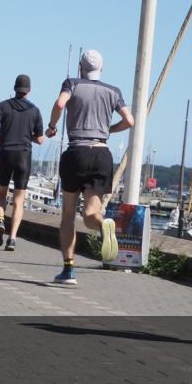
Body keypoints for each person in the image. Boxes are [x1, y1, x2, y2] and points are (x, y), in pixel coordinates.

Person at [45, 50, 134, 285]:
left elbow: (60, 103)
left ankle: (68, 270)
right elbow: (130, 120)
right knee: (90, 215)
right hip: (102, 154)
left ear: (80, 68)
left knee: (68, 215)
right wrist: (108, 130)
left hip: (77, 151)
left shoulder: (72, 83)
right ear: (101, 69)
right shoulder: (113, 91)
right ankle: (103, 225)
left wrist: (52, 126)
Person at [0, 75, 45, 251]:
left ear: (14, 88)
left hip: (6, 153)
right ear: (29, 90)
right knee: (19, 200)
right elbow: (41, 139)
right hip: (23, 156)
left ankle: (0, 220)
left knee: (1, 194)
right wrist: (29, 136)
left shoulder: (3, 106)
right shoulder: (35, 111)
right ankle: (12, 239)